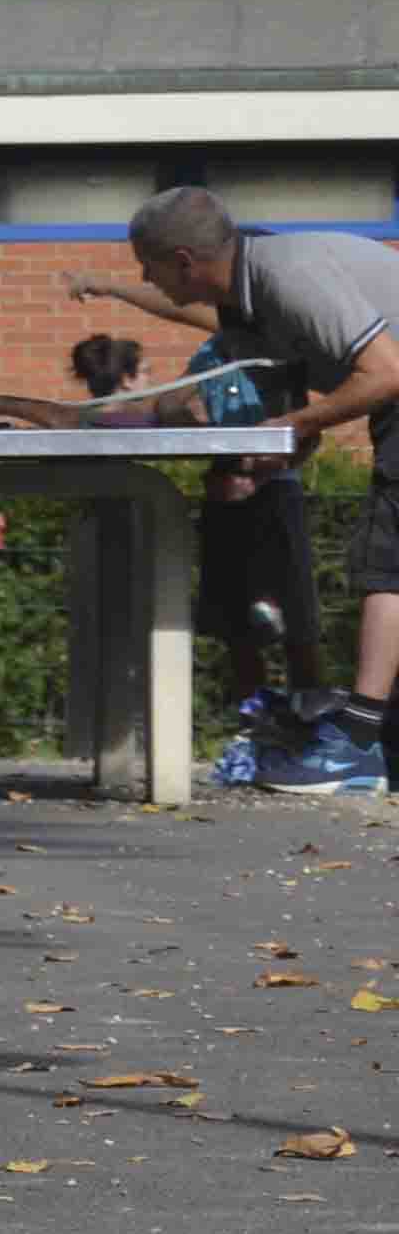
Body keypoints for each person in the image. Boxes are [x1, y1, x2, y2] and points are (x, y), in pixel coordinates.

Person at [102, 187, 399, 792]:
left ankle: (356, 747)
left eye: (147, 265)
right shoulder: (248, 308)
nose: (143, 278)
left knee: (386, 562)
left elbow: (387, 373)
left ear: (182, 261)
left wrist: (296, 425)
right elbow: (300, 423)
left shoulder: (287, 275)